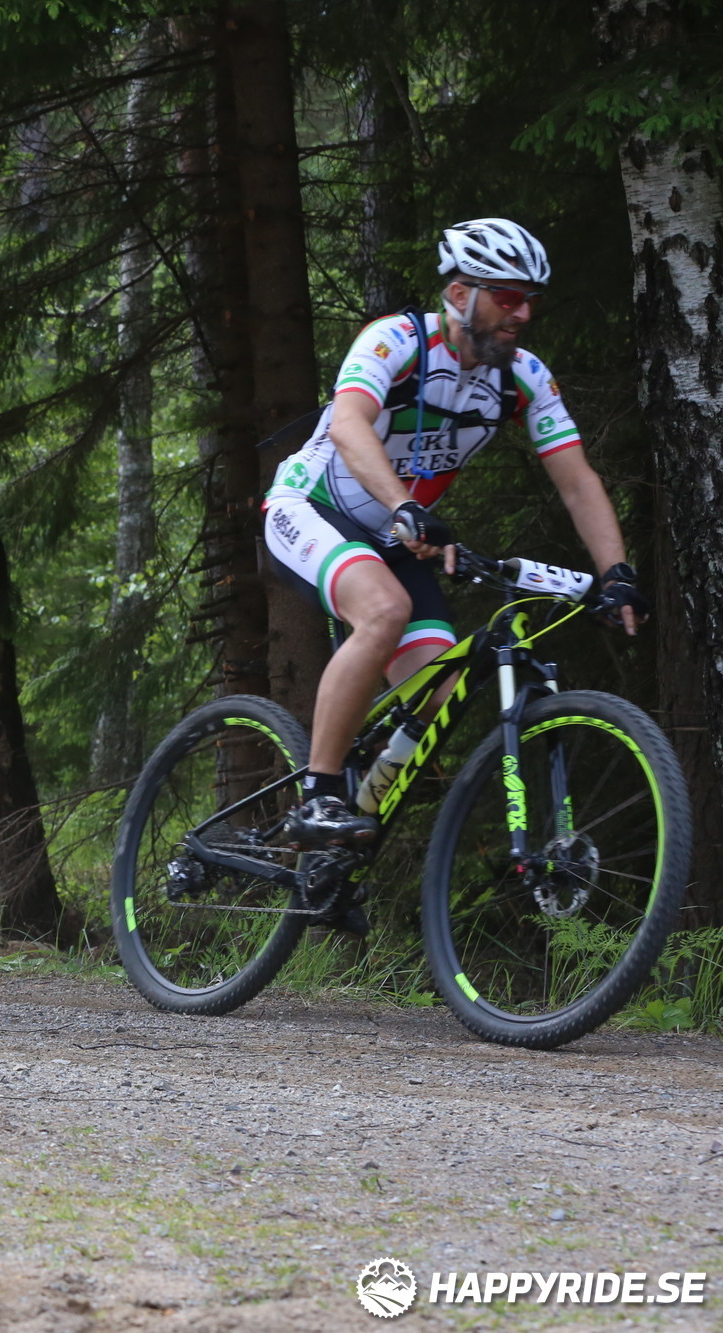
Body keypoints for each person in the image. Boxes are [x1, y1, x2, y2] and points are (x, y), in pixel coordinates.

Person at [264, 218, 647, 859]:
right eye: (508, 296)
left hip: (398, 536)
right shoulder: (394, 341)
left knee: (440, 699)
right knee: (384, 610)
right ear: (461, 293)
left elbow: (577, 481)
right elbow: (350, 426)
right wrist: (405, 505)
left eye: (530, 299)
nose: (523, 313)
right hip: (312, 506)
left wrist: (616, 574)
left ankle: (340, 852)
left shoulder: (524, 377)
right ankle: (319, 798)